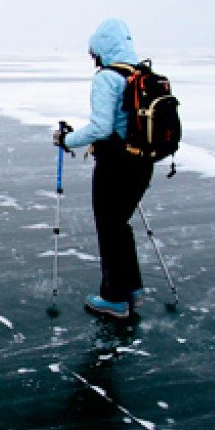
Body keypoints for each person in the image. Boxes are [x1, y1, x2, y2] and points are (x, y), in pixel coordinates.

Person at [53, 18, 154, 320]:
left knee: (109, 229)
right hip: (142, 164)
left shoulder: (107, 78)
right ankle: (132, 290)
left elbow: (101, 127)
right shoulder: (140, 74)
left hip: (116, 166)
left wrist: (66, 140)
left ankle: (114, 298)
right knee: (121, 226)